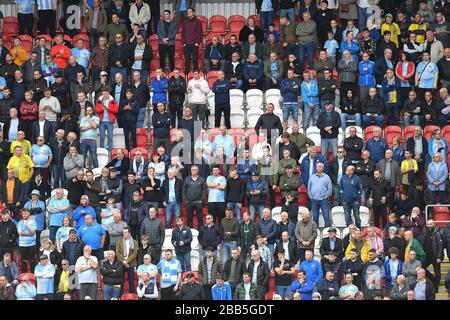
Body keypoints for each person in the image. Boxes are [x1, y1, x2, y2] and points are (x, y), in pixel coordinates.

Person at [308, 162, 332, 228]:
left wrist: (326, 196)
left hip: (323, 200)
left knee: (326, 217)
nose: (317, 168)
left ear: (323, 168)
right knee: (315, 218)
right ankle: (316, 233)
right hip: (314, 200)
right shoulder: (312, 177)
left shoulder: (327, 177)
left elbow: (330, 188)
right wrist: (311, 196)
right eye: (316, 166)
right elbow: (309, 188)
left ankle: (327, 233)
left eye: (319, 166)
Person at [116, 227, 138, 294]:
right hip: (121, 263)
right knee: (121, 280)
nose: (124, 234)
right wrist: (124, 262)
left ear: (129, 233)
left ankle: (132, 294)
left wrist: (127, 261)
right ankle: (120, 295)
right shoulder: (119, 242)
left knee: (131, 280)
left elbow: (134, 253)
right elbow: (117, 253)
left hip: (130, 263)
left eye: (125, 232)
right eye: (123, 232)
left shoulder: (134, 242)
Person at [182, 7, 203, 74]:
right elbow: (183, 32)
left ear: (193, 13)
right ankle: (187, 72)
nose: (189, 13)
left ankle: (196, 71)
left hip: (194, 43)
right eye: (188, 12)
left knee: (195, 59)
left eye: (190, 11)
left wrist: (197, 42)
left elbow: (200, 33)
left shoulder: (198, 22)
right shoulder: (185, 22)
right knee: (187, 59)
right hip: (186, 43)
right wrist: (183, 42)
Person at [18, 208, 37, 273]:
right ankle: (23, 276)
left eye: (25, 213)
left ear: (29, 214)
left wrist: (26, 225)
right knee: (24, 260)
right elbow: (20, 233)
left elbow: (32, 232)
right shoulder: (20, 223)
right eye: (23, 214)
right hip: (22, 245)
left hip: (32, 244)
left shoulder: (33, 222)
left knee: (32, 260)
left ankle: (33, 276)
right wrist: (29, 233)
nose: (24, 215)